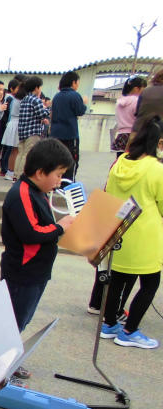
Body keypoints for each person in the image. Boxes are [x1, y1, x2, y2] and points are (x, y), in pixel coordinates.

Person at [0, 138, 74, 377]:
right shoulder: (21, 193)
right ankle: (1, 367)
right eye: (58, 174)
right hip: (22, 273)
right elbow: (30, 233)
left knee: (21, 319)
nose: (59, 181)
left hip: (36, 272)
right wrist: (60, 227)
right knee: (13, 321)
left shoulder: (38, 192)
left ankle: (6, 361)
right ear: (41, 172)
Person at [98, 116, 163, 349]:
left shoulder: (120, 163)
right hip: (145, 236)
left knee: (116, 280)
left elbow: (108, 193)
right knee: (150, 283)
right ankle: (130, 330)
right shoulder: (157, 169)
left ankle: (109, 323)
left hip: (119, 231)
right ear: (158, 142)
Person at [50, 71, 88, 181]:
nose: (78, 85)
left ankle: (56, 182)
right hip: (70, 135)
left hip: (56, 134)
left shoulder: (57, 96)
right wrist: (84, 103)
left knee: (57, 161)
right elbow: (80, 111)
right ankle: (68, 183)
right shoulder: (75, 95)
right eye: (78, 82)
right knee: (71, 161)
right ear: (73, 82)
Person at [14, 76, 49, 179]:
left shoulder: (24, 99)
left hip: (22, 132)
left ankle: (16, 175)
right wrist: (48, 109)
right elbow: (42, 114)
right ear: (36, 88)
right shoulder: (36, 100)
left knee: (21, 154)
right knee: (27, 154)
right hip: (32, 132)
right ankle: (22, 176)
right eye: (40, 87)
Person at [111, 76, 146, 157]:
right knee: (134, 162)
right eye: (143, 89)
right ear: (136, 89)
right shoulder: (137, 101)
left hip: (121, 136)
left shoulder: (119, 101)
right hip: (134, 136)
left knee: (121, 161)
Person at [0, 78, 21, 180]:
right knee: (10, 149)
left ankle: (6, 169)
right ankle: (6, 169)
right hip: (10, 124)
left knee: (10, 149)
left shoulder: (12, 99)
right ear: (12, 88)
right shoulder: (11, 99)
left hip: (9, 124)